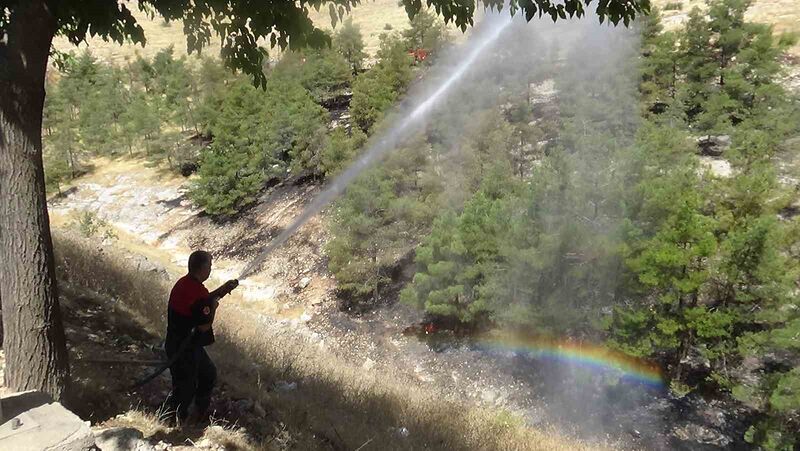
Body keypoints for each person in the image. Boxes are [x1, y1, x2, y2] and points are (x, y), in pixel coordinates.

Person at [164, 250, 238, 425]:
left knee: (207, 373)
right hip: (184, 348)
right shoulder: (197, 291)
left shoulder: (185, 283)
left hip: (180, 344)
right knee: (185, 387)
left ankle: (197, 414)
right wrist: (214, 308)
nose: (211, 269)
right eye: (210, 265)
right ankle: (173, 421)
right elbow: (204, 324)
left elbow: (201, 303)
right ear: (203, 267)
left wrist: (221, 290)